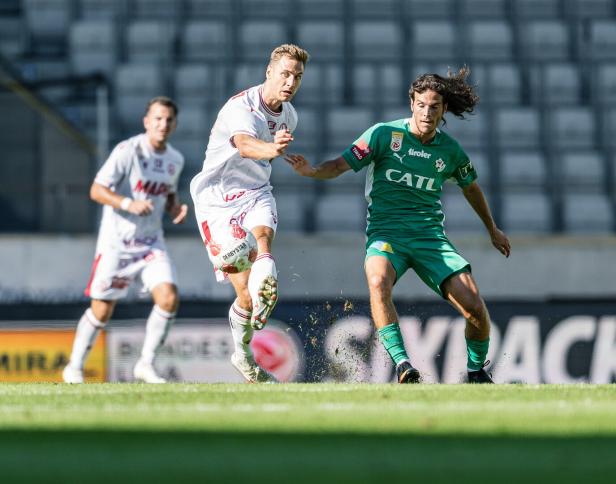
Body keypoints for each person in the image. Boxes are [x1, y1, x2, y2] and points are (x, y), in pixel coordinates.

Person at [286, 67, 511, 384]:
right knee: (378, 282)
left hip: (430, 239)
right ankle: (404, 366)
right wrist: (312, 171)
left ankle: (476, 371)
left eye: (434, 106)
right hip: (386, 235)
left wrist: (492, 229)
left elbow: (471, 187)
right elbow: (339, 164)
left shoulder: (450, 151)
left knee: (474, 306)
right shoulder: (383, 135)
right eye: (421, 105)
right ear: (412, 104)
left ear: (444, 109)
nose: (427, 112)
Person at [190, 44, 309, 383]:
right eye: (285, 74)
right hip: (216, 200)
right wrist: (272, 148)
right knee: (244, 293)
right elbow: (244, 144)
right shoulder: (241, 107)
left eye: (297, 77)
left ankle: (265, 273)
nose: (290, 82)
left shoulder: (290, 114)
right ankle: (243, 354)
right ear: (269, 72)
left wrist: (283, 156)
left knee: (263, 242)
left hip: (256, 193)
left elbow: (265, 157)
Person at [63, 96, 188, 384]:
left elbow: (167, 193)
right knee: (102, 310)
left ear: (175, 124)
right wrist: (127, 203)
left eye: (168, 120)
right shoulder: (127, 150)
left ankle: (145, 364)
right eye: (157, 118)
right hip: (117, 245)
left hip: (151, 244)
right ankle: (75, 366)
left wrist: (175, 207)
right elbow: (96, 190)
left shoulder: (175, 160)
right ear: (146, 122)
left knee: (169, 298)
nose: (163, 124)